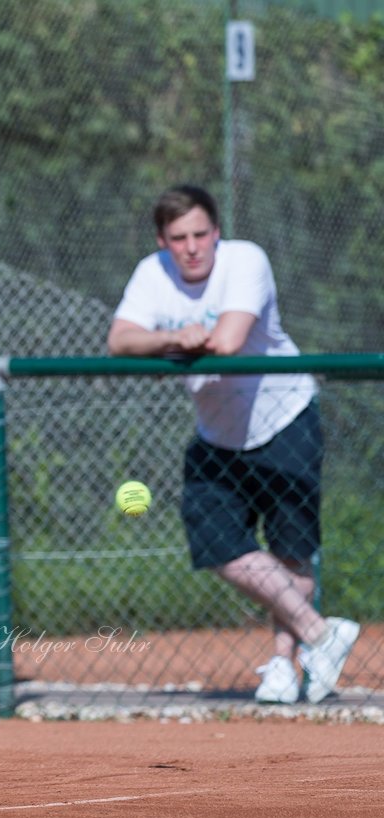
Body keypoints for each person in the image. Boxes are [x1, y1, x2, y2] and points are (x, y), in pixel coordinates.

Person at [107, 184, 359, 705]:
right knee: (216, 543)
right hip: (217, 436)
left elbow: (227, 341)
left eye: (201, 234)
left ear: (217, 233)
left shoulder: (246, 260)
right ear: (163, 241)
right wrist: (175, 338)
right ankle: (321, 634)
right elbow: (121, 339)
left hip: (284, 418)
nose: (193, 246)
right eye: (179, 238)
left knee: (291, 551)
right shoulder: (151, 273)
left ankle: (285, 671)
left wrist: (174, 339)